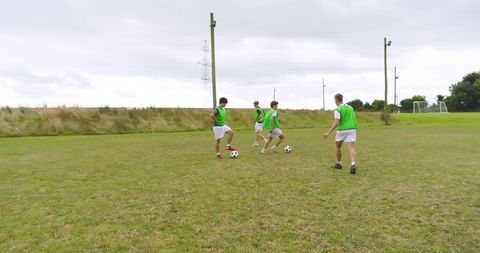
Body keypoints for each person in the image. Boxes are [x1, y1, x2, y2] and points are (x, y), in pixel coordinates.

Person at [324, 93, 358, 174]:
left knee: (338, 146)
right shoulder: (350, 107)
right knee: (352, 147)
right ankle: (353, 164)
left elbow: (336, 122)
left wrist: (328, 133)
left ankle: (338, 163)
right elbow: (353, 117)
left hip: (342, 130)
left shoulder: (337, 109)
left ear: (336, 100)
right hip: (352, 128)